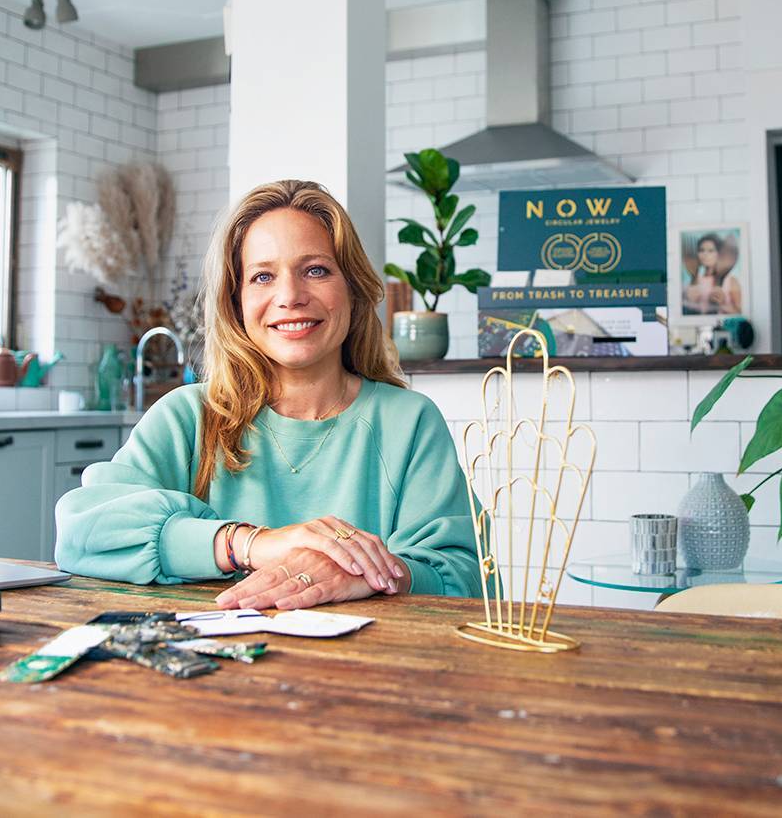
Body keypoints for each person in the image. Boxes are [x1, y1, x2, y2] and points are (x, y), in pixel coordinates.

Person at [55, 179, 480, 610]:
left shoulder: (409, 422)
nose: (290, 296)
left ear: (352, 288)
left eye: (316, 270)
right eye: (262, 276)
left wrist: (370, 573)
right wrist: (248, 544)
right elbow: (81, 532)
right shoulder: (187, 417)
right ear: (235, 301)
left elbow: (464, 575)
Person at [681, 233, 743, 315]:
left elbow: (741, 313)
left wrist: (722, 304)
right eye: (701, 250)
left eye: (711, 251)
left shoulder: (731, 281)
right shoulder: (692, 281)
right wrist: (690, 302)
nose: (705, 254)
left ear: (719, 254)